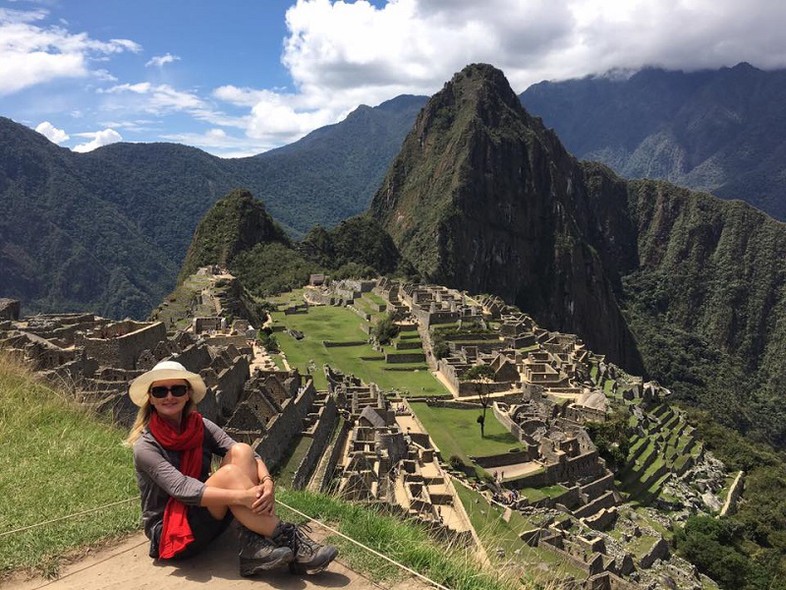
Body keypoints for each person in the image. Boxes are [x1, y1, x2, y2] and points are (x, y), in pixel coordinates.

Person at [126, 360, 337, 576]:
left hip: (205, 514)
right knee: (229, 474)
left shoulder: (200, 426)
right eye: (160, 391)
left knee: (242, 450)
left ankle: (250, 544)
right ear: (151, 398)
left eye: (177, 389)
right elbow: (181, 488)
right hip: (172, 532)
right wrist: (242, 497)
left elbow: (251, 455)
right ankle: (290, 539)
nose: (169, 396)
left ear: (188, 394)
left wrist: (267, 482)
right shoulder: (146, 446)